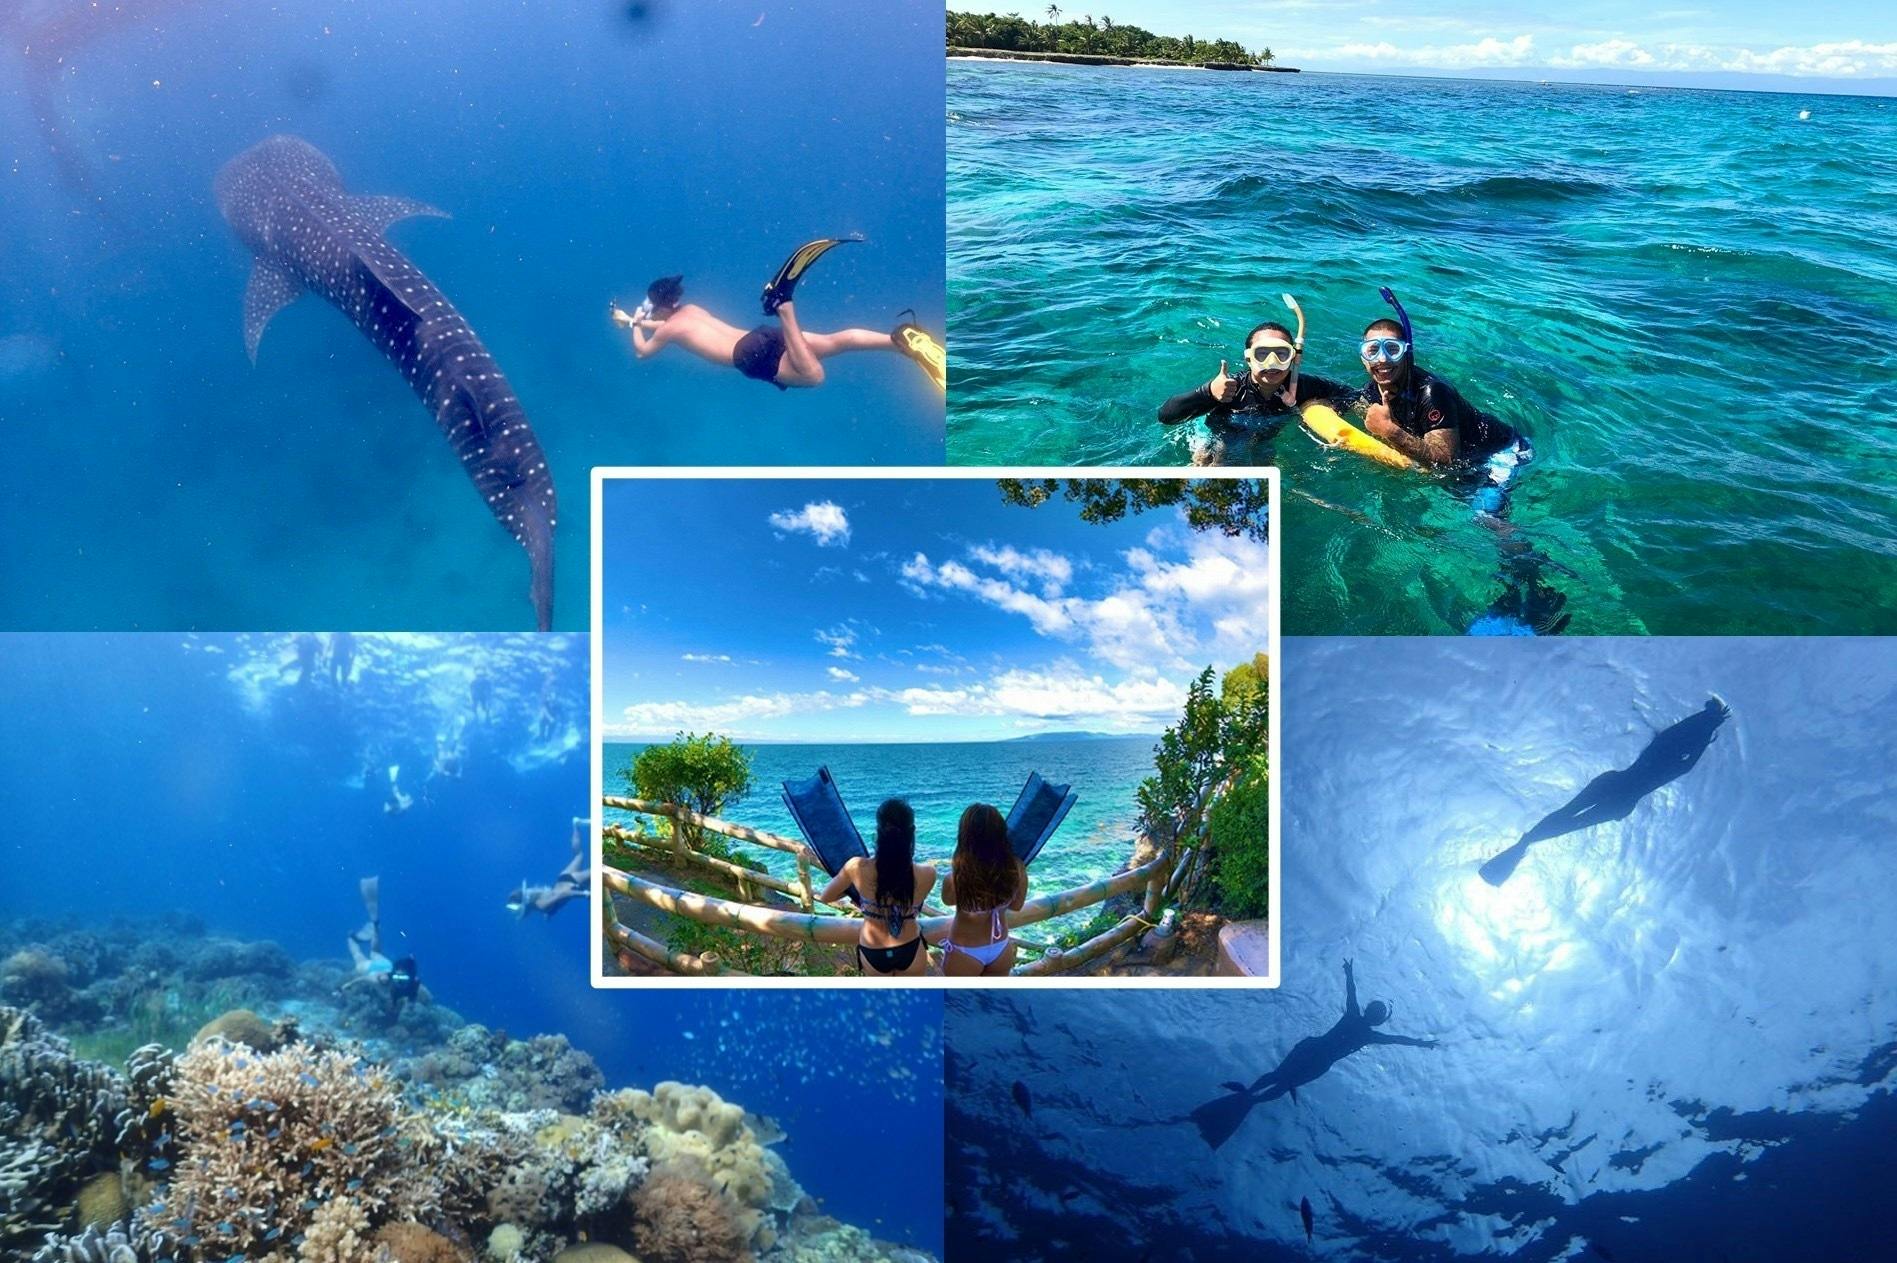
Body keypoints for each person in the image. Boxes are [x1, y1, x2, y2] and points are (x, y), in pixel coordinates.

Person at [608, 240, 944, 392]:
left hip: (747, 356)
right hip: (760, 335)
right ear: (675, 298)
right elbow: (668, 324)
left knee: (814, 378)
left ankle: (784, 305)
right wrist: (637, 320)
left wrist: (633, 324)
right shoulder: (691, 311)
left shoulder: (670, 331)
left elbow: (643, 352)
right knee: (834, 342)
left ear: (657, 306)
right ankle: (900, 341)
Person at [1480, 695, 1730, 884]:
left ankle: (1523, 844)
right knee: (1571, 819)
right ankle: (1523, 844)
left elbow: (1677, 752)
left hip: (1617, 787)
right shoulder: (1674, 756)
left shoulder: (1669, 750)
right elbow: (1684, 761)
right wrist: (1709, 727)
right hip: (1621, 796)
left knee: (1568, 815)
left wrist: (1709, 725)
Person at [1190, 960, 1438, 1148]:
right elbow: (1397, 1038)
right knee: (1284, 1082)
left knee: (1280, 1077)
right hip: (1319, 1059)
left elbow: (1354, 994)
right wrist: (1422, 1043)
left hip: (1312, 1050)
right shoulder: (1368, 1033)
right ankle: (1250, 1100)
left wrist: (1349, 972)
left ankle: (1249, 1096)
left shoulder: (1356, 1017)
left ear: (1370, 1012)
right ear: (1379, 1019)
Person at [1354, 289, 1532, 516]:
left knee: (1486, 517)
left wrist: (1389, 431)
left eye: (1392, 349)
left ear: (1406, 353)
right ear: (1363, 357)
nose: (1382, 359)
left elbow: (1446, 462)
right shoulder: (1373, 389)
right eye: (1372, 351)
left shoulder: (1432, 392)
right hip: (1469, 456)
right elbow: (1344, 397)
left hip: (1502, 451)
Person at [1158, 301, 1352, 446]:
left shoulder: (1303, 386)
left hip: (1265, 439)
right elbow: (1166, 416)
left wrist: (1329, 407)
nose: (1272, 363)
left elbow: (1352, 395)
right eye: (1262, 354)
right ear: (1249, 359)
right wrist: (1208, 392)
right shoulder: (1229, 388)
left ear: (1293, 357)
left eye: (1281, 354)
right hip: (1222, 437)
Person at [820, 799, 937, 978]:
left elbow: (826, 896)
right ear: (912, 832)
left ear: (879, 831)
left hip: (874, 950)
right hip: (910, 947)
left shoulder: (856, 867)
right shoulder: (928, 873)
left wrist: (859, 896)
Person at [940, 803, 1026, 977]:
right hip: (1000, 947)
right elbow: (1016, 906)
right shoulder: (1016, 868)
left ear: (965, 837)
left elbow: (947, 901)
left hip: (965, 950)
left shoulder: (956, 878)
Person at [507, 816, 592, 918]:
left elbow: (563, 894)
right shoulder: (536, 902)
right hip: (562, 878)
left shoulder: (540, 905)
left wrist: (585, 894)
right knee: (579, 855)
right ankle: (576, 825)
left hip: (572, 884)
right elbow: (553, 897)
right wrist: (550, 913)